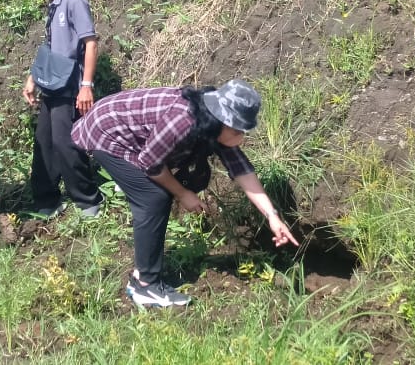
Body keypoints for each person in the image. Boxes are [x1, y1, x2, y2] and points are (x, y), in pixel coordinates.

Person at [71, 79, 299, 307]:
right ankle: (145, 285)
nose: (242, 137)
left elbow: (242, 171)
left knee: (158, 192)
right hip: (107, 130)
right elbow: (150, 164)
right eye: (239, 130)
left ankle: (144, 271)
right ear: (224, 121)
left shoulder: (213, 126)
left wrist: (272, 216)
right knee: (153, 198)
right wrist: (183, 194)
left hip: (131, 133)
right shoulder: (182, 121)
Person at [22, 0, 103, 217]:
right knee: (44, 141)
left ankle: (88, 200)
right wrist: (33, 78)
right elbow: (50, 46)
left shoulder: (74, 0)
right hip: (52, 82)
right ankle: (46, 200)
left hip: (69, 86)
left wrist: (86, 85)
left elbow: (90, 43)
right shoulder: (54, 3)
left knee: (64, 142)